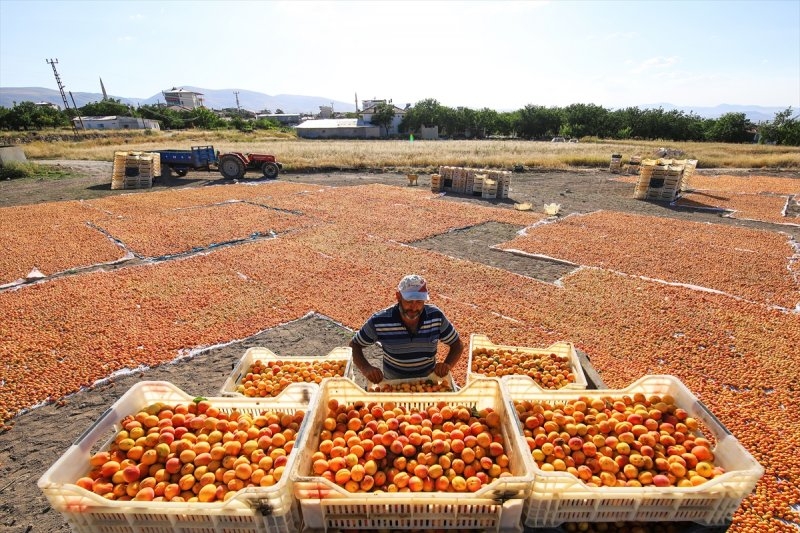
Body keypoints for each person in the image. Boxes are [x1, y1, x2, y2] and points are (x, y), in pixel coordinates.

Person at [350, 274, 464, 384]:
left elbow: (456, 344)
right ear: (398, 297)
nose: (414, 307)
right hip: (393, 386)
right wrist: (366, 368)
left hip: (427, 384)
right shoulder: (380, 321)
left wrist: (447, 365)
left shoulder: (436, 317)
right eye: (409, 301)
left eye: (419, 302)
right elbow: (354, 345)